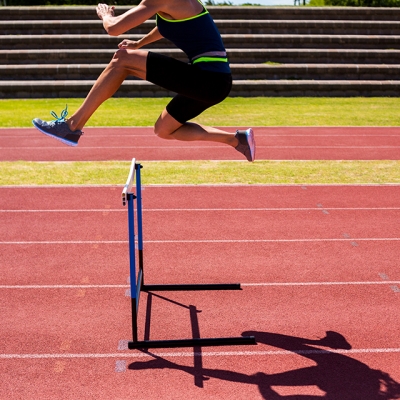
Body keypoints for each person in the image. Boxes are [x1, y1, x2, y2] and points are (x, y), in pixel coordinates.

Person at [32, 0, 256, 162]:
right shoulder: (173, 4)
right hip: (214, 83)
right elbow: (166, 26)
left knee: (122, 60)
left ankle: (72, 126)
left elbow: (114, 29)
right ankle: (237, 140)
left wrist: (105, 15)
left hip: (208, 79)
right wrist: (139, 43)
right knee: (164, 130)